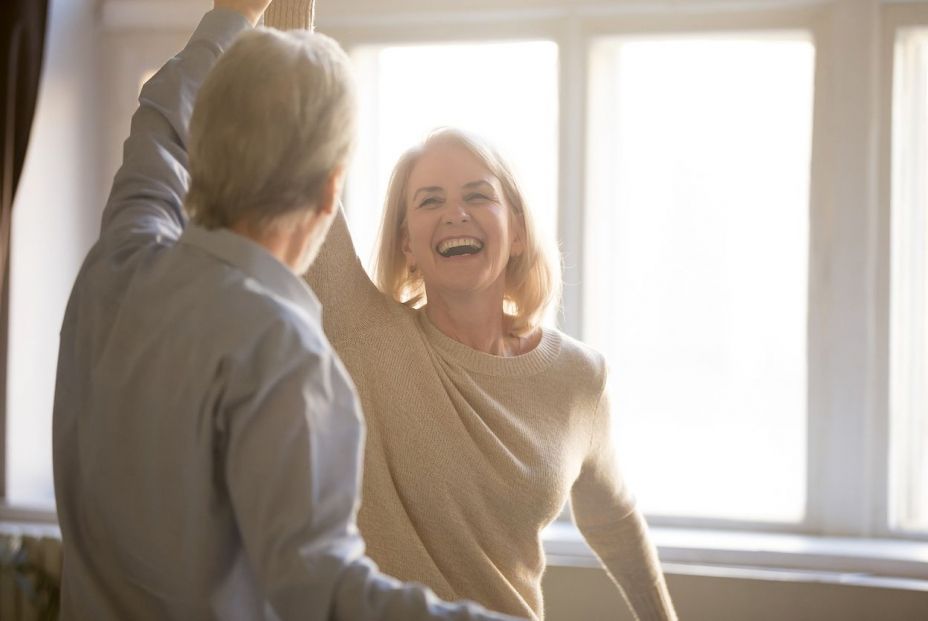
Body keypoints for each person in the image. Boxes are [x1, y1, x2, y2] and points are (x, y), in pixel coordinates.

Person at [51, 2, 525, 620]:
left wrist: (232, 14)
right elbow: (322, 594)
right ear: (332, 190)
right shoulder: (283, 354)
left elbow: (160, 124)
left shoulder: (116, 261)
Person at [297, 125, 678, 621]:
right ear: (407, 242)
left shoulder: (580, 377)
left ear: (518, 231)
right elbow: (293, 146)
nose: (455, 213)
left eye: (477, 195)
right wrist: (295, 44)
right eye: (429, 201)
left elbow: (615, 519)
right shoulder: (364, 334)